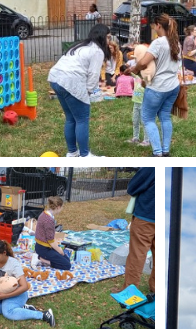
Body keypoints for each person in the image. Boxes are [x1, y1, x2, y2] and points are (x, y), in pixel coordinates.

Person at [48, 23, 111, 157]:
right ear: (102, 37)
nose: (110, 41)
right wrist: (89, 92)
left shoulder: (81, 45)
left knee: (71, 118)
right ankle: (85, 155)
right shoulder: (97, 51)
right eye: (109, 37)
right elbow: (94, 75)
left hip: (55, 78)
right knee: (82, 119)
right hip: (71, 82)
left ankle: (72, 152)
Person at [131, 14, 183, 157]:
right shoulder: (176, 43)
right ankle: (165, 151)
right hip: (173, 86)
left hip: (158, 87)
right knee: (165, 116)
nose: (153, 28)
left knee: (147, 118)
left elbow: (143, 62)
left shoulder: (158, 43)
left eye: (154, 26)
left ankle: (157, 153)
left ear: (159, 26)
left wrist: (134, 69)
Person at [0, 240, 56, 326]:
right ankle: (19, 308)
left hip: (17, 293)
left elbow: (24, 287)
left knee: (8, 312)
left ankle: (43, 315)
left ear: (4, 253)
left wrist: (6, 296)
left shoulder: (13, 264)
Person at [122, 167, 155, 294]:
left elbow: (132, 187)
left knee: (137, 255)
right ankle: (156, 288)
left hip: (146, 216)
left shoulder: (152, 167)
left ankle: (130, 290)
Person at [34, 196, 71, 271]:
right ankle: (40, 259)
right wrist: (60, 251)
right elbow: (51, 241)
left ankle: (42, 257)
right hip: (44, 248)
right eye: (62, 207)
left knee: (67, 259)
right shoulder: (49, 220)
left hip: (41, 246)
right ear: (58, 207)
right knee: (67, 265)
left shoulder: (44, 214)